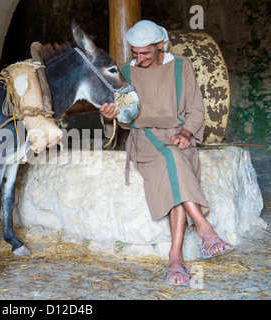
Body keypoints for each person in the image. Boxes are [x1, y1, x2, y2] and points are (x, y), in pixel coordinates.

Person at [99, 20, 234, 286]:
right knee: (171, 159)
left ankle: (175, 258)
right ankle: (205, 230)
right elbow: (117, 117)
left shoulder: (181, 66)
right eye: (135, 52)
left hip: (178, 135)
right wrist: (106, 116)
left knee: (175, 160)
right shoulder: (125, 72)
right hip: (145, 137)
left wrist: (185, 133)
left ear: (161, 45)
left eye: (145, 53)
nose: (139, 58)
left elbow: (196, 110)